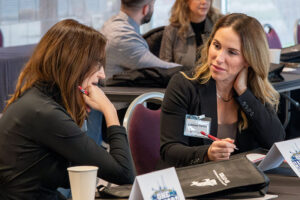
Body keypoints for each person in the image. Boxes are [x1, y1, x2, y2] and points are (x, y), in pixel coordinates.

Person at [0, 19, 135, 200]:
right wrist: (109, 110)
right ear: (74, 63)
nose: (102, 74)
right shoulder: (44, 113)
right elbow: (124, 173)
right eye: (97, 64)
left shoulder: (38, 99)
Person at [159, 13, 285, 168]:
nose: (218, 58)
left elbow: (275, 141)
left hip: (240, 180)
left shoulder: (252, 91)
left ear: (249, 60)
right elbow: (169, 150)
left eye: (231, 52)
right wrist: (207, 154)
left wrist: (243, 92)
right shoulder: (184, 86)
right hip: (196, 180)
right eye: (216, 46)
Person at [100, 0, 180, 79]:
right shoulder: (122, 36)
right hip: (112, 91)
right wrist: (190, 71)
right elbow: (162, 68)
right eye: (152, 5)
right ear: (146, 9)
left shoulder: (112, 25)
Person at [159, 0, 222, 69]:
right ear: (186, 1)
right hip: (180, 78)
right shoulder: (171, 31)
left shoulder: (220, 26)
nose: (204, 2)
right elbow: (164, 68)